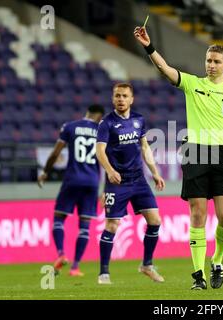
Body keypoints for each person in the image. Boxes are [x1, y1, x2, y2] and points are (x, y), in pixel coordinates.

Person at [134, 26, 223, 290]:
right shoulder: (193, 84)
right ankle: (198, 274)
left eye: (216, 61)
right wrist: (148, 46)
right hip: (196, 154)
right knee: (197, 214)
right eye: (208, 60)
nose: (211, 65)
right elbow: (165, 69)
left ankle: (217, 261)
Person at [96, 83, 166, 285]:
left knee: (155, 220)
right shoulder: (106, 123)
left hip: (139, 180)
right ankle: (104, 273)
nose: (120, 99)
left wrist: (155, 172)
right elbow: (100, 150)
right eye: (117, 96)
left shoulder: (139, 120)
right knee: (112, 225)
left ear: (131, 99)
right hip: (117, 181)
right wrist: (110, 171)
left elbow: (144, 147)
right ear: (112, 99)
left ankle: (147, 265)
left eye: (124, 96)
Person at [37, 104, 105, 276]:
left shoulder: (70, 126)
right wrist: (106, 189)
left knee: (59, 218)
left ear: (87, 113)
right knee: (85, 225)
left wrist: (45, 172)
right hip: (92, 182)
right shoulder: (102, 130)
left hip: (72, 179)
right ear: (100, 117)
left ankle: (61, 254)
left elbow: (55, 153)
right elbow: (107, 161)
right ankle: (75, 267)